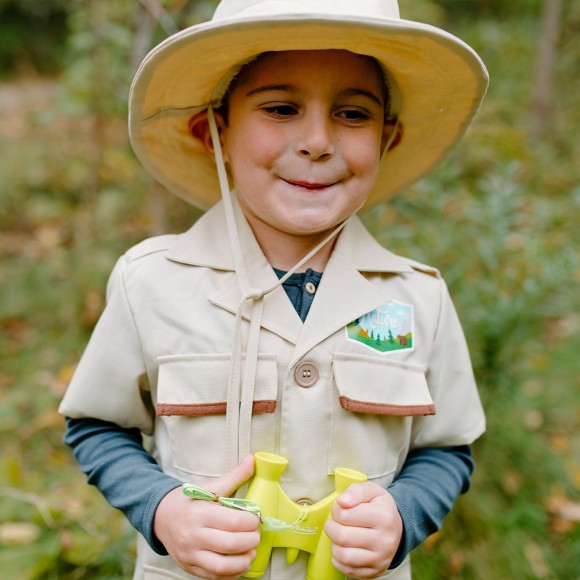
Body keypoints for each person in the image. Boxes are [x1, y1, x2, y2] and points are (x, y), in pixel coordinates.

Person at [59, 1, 488, 579]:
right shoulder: (152, 282)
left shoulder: (415, 297)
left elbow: (446, 448)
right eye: (281, 108)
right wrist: (162, 511)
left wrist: (403, 514)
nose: (316, 141)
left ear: (388, 140)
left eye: (353, 114)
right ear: (214, 131)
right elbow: (97, 425)